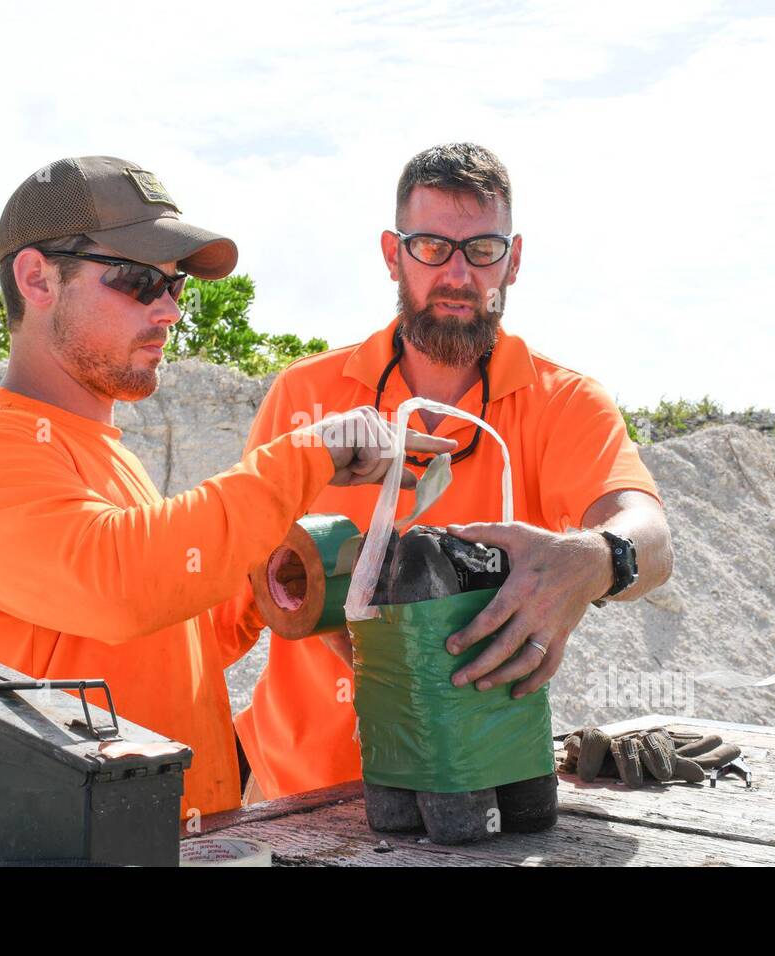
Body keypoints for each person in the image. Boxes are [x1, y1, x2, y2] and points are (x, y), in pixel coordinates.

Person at [0, 155, 454, 819]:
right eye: (137, 281)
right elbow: (121, 585)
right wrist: (306, 457)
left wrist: (276, 578)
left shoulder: (105, 457)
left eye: (174, 286)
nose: (167, 310)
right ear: (37, 278)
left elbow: (176, 638)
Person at [218, 143, 675, 802]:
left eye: (482, 250)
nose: (458, 273)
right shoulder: (304, 396)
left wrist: (594, 557)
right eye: (431, 246)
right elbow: (233, 596)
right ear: (392, 254)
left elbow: (652, 537)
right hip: (295, 792)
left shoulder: (565, 403)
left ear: (513, 260)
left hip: (472, 790)